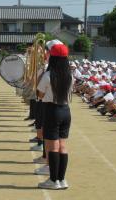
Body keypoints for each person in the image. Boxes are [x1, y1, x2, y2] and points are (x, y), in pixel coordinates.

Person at [37, 43, 72, 190]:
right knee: (62, 146)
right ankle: (62, 179)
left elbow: (40, 94)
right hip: (65, 110)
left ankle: (53, 180)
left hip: (52, 110)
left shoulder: (48, 75)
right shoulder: (69, 75)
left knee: (52, 147)